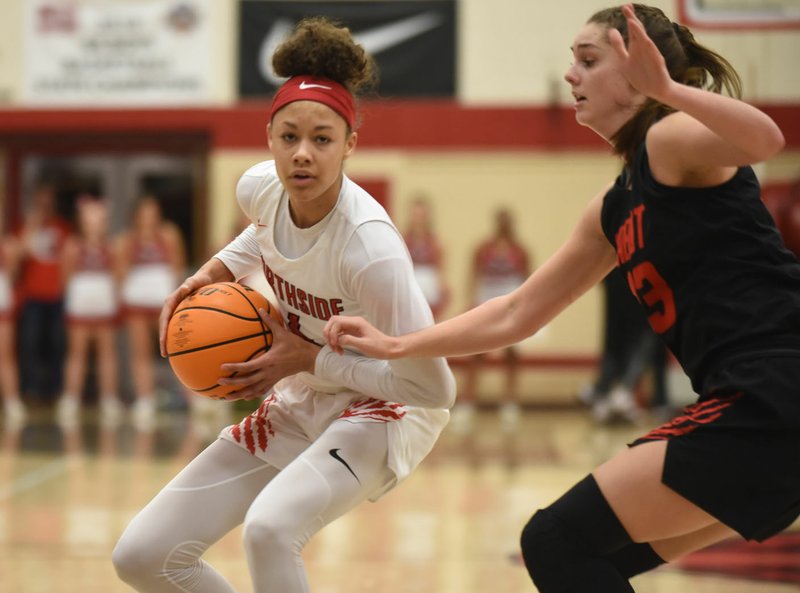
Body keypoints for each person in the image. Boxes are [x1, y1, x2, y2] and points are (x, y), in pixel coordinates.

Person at [324, 4, 797, 591]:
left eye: (589, 60)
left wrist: (668, 90)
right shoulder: (613, 205)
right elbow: (519, 311)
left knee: (553, 540)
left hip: (774, 392)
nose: (570, 74)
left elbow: (766, 138)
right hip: (751, 400)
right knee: (597, 556)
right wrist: (400, 344)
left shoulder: (670, 138)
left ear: (637, 73)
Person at [112, 17, 454, 593]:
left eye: (322, 139)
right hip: (304, 392)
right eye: (288, 137)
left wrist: (311, 359)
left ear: (349, 145)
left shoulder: (371, 249)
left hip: (384, 407)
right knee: (144, 555)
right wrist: (211, 272)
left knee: (271, 530)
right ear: (269, 138)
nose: (302, 155)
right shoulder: (258, 189)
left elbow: (435, 390)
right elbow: (262, 233)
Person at [117, 195, 186, 427]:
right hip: (137, 302)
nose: (149, 217)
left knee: (177, 349)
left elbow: (177, 266)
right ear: (136, 216)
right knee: (141, 353)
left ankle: (195, 398)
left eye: (152, 212)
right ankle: (145, 399)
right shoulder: (126, 240)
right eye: (144, 213)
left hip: (162, 301)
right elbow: (120, 272)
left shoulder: (169, 234)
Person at [461, 207, 531, 425]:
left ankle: (510, 401)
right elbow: (474, 276)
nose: (504, 225)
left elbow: (528, 280)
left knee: (512, 355)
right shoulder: (483, 248)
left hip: (511, 303)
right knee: (477, 353)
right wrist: (471, 304)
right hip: (487, 301)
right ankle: (468, 401)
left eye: (507, 221)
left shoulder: (520, 251)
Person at [56, 196, 122, 426]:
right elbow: (65, 277)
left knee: (107, 352)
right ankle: (71, 399)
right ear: (82, 220)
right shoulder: (73, 245)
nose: (95, 222)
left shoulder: (111, 246)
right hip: (81, 302)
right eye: (90, 217)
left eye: (99, 218)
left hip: (103, 301)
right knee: (77, 352)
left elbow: (117, 275)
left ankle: (109, 399)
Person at [580, 266, 668, 423]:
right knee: (638, 336)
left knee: (627, 337)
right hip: (631, 277)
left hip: (627, 276)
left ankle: (609, 391)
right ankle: (615, 390)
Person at [16, 184, 70, 407]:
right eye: (41, 201)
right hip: (32, 296)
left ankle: (55, 389)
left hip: (57, 295)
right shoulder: (24, 228)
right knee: (30, 343)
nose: (45, 206)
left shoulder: (62, 227)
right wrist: (31, 226)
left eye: (48, 201)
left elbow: (70, 258)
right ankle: (29, 388)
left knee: (57, 344)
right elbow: (17, 256)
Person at [402, 196, 449, 320]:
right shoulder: (403, 239)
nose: (418, 218)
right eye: (415, 214)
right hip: (411, 280)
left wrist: (441, 287)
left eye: (421, 215)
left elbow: (440, 266)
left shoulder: (434, 241)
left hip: (429, 283)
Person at [0, 219, 24, 427]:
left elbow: (14, 276)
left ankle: (11, 400)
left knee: (6, 354)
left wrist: (13, 256)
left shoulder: (8, 245)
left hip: (2, 303)